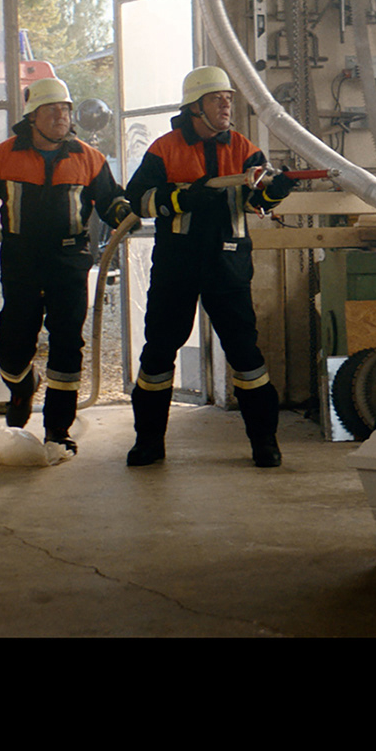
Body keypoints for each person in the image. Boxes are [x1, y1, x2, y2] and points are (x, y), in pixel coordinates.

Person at [125, 66, 297, 468]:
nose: (226, 105)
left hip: (228, 266)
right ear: (194, 107)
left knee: (246, 356)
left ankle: (264, 442)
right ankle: (148, 442)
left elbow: (256, 204)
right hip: (176, 268)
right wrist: (182, 199)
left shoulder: (244, 148)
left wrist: (275, 194)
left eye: (229, 98)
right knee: (158, 355)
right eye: (217, 98)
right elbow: (138, 200)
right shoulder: (164, 149)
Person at [0, 77, 130, 463]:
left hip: (69, 262)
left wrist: (122, 213)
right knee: (11, 344)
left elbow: (109, 200)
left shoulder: (89, 158)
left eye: (65, 109)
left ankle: (58, 430)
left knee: (67, 344)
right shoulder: (1, 157)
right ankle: (22, 386)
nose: (61, 116)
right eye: (52, 110)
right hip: (21, 262)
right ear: (32, 117)